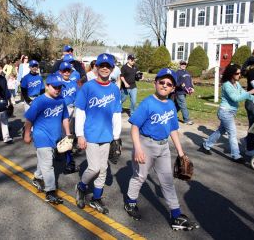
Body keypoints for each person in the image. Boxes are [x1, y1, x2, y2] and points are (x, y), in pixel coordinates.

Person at [124, 68, 199, 231]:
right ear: (155, 83)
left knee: (167, 181)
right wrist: (137, 148)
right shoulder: (148, 103)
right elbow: (135, 127)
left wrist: (180, 152)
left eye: (169, 84)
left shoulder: (171, 105)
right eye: (162, 82)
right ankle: (130, 203)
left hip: (163, 147)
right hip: (145, 144)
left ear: (173, 88)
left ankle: (176, 215)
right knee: (139, 177)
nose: (165, 85)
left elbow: (173, 129)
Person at [75, 53, 122, 215]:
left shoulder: (115, 90)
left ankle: (96, 198)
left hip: (107, 135)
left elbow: (116, 114)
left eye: (107, 66)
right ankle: (81, 187)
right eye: (101, 65)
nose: (104, 68)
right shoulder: (88, 87)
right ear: (96, 67)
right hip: (90, 134)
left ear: (112, 68)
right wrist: (79, 134)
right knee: (94, 168)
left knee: (103, 169)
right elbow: (80, 111)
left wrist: (116, 137)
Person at [24, 73, 70, 205]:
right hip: (41, 136)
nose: (57, 89)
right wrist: (27, 134)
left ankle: (37, 177)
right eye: (54, 87)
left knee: (45, 161)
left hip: (55, 137)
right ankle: (50, 192)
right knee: (48, 164)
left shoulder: (61, 100)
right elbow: (29, 119)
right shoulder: (39, 101)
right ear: (47, 86)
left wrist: (68, 134)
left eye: (59, 87)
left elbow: (65, 117)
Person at [202, 64, 254, 161]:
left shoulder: (237, 84)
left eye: (240, 73)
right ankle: (236, 155)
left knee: (221, 131)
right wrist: (250, 92)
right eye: (237, 73)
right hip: (225, 112)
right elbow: (235, 98)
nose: (239, 75)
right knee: (232, 132)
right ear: (231, 74)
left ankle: (206, 145)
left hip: (231, 112)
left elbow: (244, 94)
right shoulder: (226, 85)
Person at [59, 61, 80, 174]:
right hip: (62, 111)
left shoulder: (73, 83)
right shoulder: (58, 83)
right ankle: (69, 164)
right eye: (64, 70)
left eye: (68, 70)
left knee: (69, 135)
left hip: (72, 109)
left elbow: (77, 96)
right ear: (60, 71)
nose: (67, 72)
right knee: (66, 136)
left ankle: (61, 155)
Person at [175, 60, 195, 125]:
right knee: (183, 105)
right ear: (180, 65)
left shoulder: (187, 72)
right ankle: (186, 120)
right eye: (182, 64)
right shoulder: (177, 73)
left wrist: (192, 88)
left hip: (185, 92)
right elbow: (175, 82)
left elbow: (190, 81)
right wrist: (180, 85)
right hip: (179, 92)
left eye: (184, 64)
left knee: (178, 105)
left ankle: (171, 115)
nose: (183, 65)